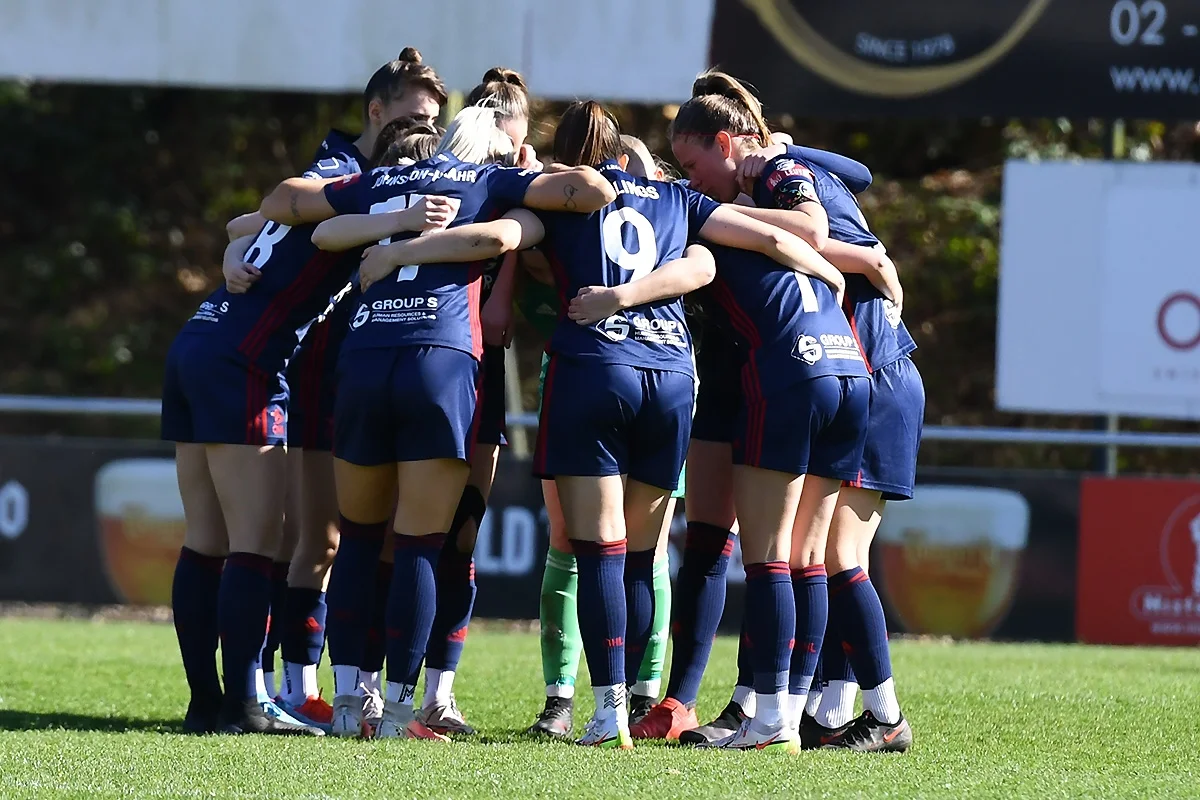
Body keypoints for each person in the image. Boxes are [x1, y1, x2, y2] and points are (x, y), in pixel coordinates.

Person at [357, 100, 848, 748]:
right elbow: (771, 240)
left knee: (597, 553)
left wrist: (399, 253)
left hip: (594, 369)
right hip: (670, 376)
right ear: (623, 155)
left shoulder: (567, 202)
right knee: (643, 558)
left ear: (565, 160)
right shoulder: (676, 195)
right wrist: (833, 272)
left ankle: (605, 711)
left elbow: (499, 240)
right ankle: (643, 704)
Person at [264, 105, 617, 739]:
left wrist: (392, 237)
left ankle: (349, 706)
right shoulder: (492, 180)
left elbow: (310, 223)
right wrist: (533, 177)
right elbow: (590, 193)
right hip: (439, 360)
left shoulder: (389, 180)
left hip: (366, 358)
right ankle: (402, 712)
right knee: (422, 544)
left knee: (361, 541)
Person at [670, 69, 918, 752]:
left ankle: (797, 712)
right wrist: (860, 260)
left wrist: (861, 257)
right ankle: (804, 707)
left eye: (693, 165)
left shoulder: (769, 181)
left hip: (855, 368)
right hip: (851, 366)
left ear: (727, 142)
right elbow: (848, 188)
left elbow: (805, 231)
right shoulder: (778, 172)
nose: (689, 183)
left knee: (805, 555)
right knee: (818, 556)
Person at [216, 50, 449, 733]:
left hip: (366, 366)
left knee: (339, 540)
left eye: (433, 119)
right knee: (308, 540)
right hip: (312, 367)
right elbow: (267, 217)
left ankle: (304, 687)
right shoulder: (343, 169)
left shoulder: (416, 172)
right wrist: (234, 248)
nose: (423, 129)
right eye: (412, 116)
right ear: (376, 113)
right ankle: (285, 688)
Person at [520, 135, 678, 739]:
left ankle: (629, 697)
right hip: (652, 372)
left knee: (618, 546)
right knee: (601, 543)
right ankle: (572, 698)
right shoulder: (669, 201)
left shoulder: (581, 203)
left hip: (605, 369)